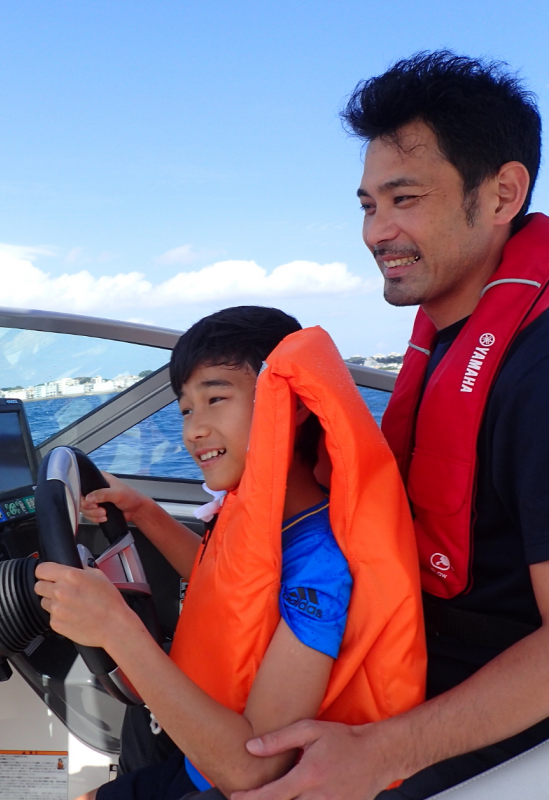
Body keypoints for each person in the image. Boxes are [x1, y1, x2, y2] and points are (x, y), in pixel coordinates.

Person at [235, 52, 549, 800]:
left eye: (404, 199)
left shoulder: (538, 374)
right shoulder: (445, 338)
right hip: (401, 665)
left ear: (503, 192)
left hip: (474, 729)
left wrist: (380, 752)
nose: (378, 232)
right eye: (368, 205)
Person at [35, 306, 425, 800]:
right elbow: (230, 584)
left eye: (215, 398)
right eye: (185, 409)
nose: (194, 430)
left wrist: (114, 626)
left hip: (225, 776)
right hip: (197, 749)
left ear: (293, 404)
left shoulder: (321, 568)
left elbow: (251, 767)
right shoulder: (263, 511)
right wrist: (145, 512)